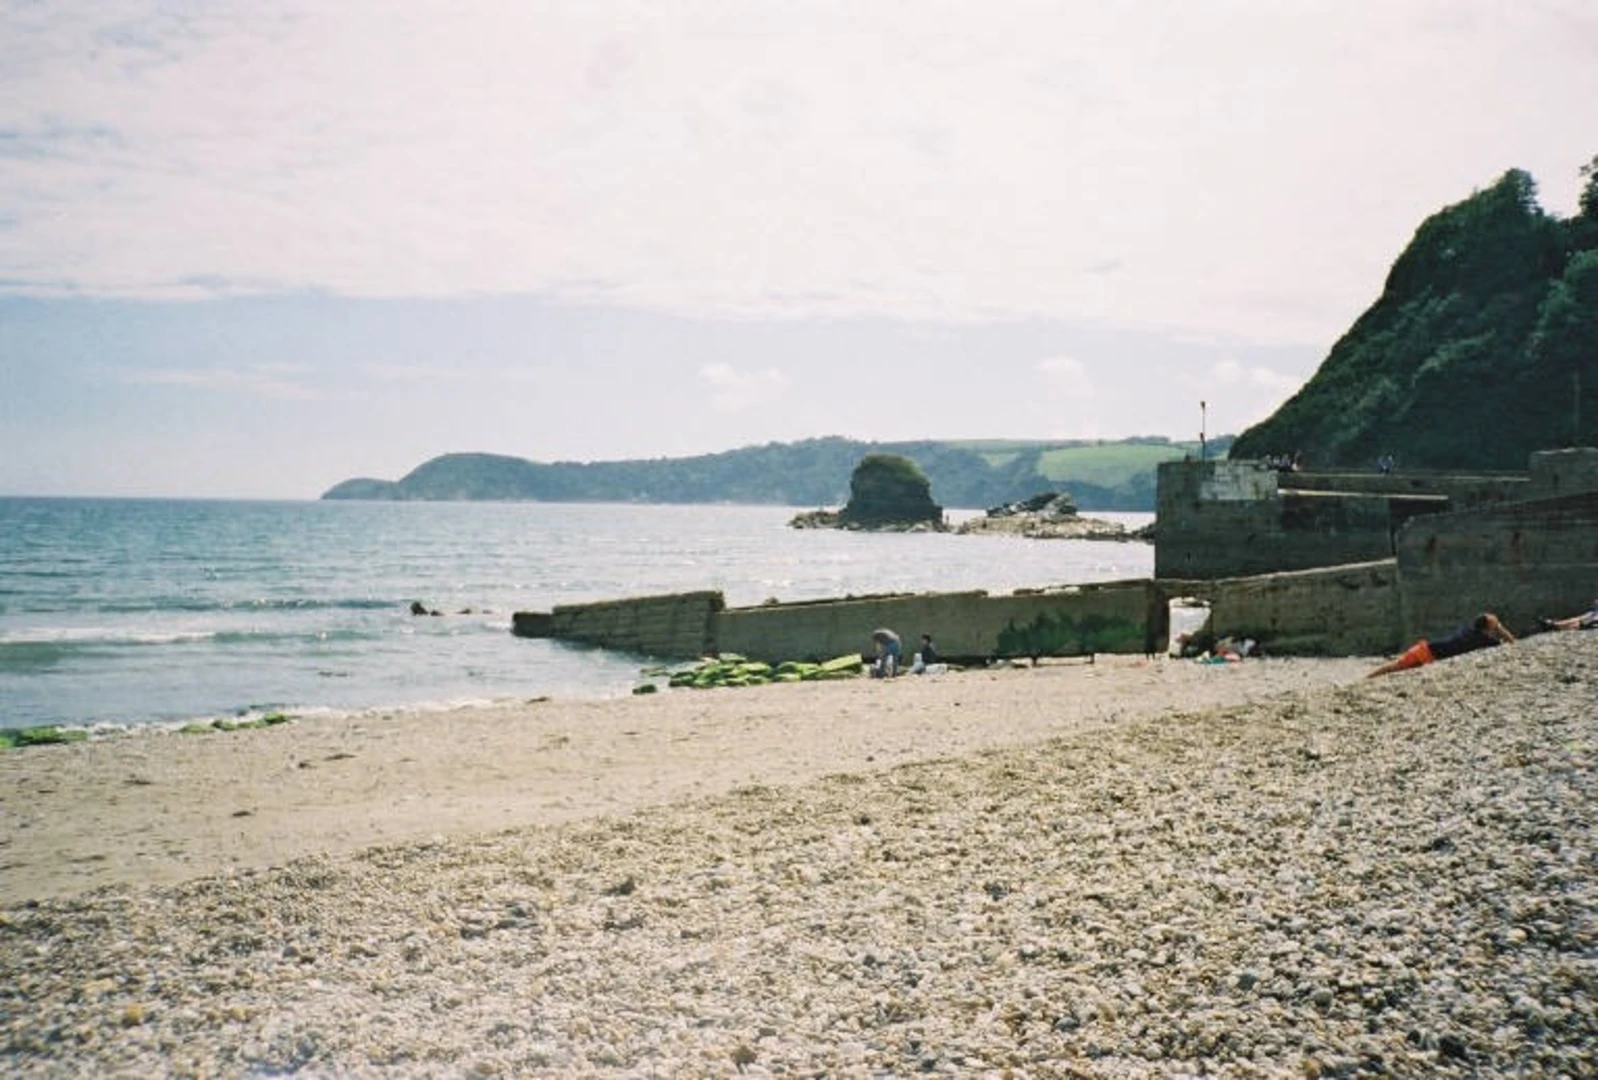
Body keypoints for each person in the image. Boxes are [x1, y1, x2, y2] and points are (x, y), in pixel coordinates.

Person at [1367, 612, 1516, 678]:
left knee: (1398, 668)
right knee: (1396, 666)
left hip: (1428, 652)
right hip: (1425, 651)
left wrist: (1496, 626)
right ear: (1488, 627)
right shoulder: (1479, 638)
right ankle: (1369, 677)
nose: (1497, 626)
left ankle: (1371, 677)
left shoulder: (1472, 631)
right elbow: (1511, 643)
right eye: (1495, 624)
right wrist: (1500, 628)